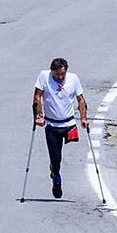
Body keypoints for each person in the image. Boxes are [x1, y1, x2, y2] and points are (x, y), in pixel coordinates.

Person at [33, 56, 85, 198]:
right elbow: (37, 97)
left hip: (69, 124)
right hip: (51, 125)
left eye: (62, 74)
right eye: (57, 75)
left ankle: (57, 172)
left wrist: (83, 119)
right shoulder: (44, 77)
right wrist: (39, 116)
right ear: (51, 72)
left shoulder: (73, 79)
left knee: (75, 152)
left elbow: (80, 100)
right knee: (56, 160)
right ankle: (56, 178)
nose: (60, 77)